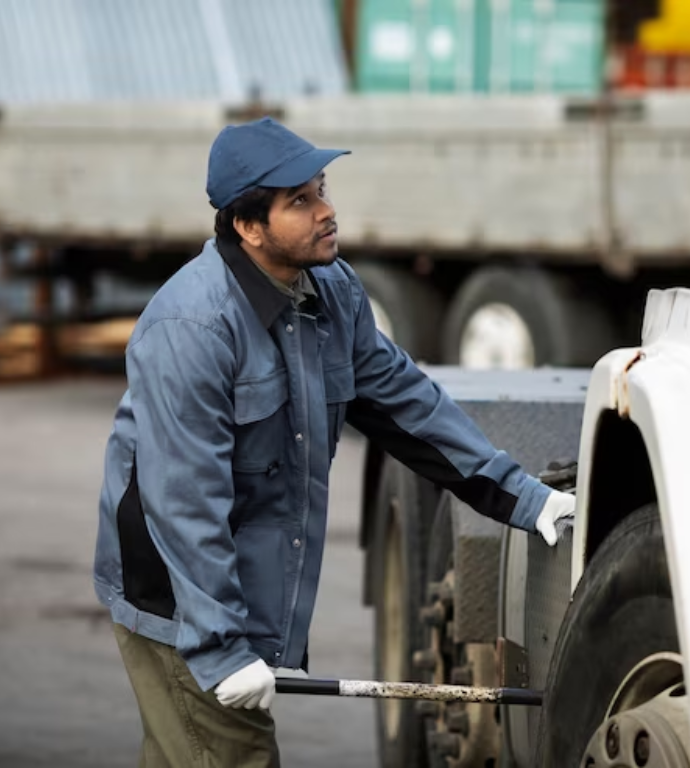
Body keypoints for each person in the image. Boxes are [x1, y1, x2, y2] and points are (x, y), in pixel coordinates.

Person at [92, 116, 576, 767]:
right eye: (301, 201)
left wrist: (525, 498)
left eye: (321, 189)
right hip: (179, 603)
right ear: (248, 226)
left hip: (239, 589)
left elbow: (407, 406)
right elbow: (185, 504)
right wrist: (220, 649)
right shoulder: (192, 327)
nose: (327, 211)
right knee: (228, 755)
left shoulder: (332, 291)